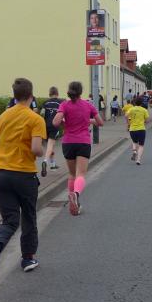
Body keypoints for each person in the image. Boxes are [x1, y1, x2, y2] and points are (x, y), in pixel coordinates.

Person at [0, 78, 46, 277]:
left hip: (2, 174)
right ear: (31, 96)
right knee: (28, 216)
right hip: (25, 175)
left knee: (10, 220)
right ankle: (28, 258)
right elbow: (36, 148)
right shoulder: (35, 119)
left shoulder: (4, 115)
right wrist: (41, 153)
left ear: (15, 95)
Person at [53, 81, 103, 216]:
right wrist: (88, 120)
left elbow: (55, 122)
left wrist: (65, 122)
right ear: (81, 92)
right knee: (80, 174)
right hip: (83, 142)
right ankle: (75, 194)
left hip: (68, 142)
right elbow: (100, 122)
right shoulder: (88, 105)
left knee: (72, 174)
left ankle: (73, 201)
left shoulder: (64, 105)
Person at [40, 87, 63, 177]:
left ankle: (53, 165)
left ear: (50, 93)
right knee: (50, 145)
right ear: (57, 93)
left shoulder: (45, 103)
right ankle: (45, 161)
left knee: (51, 146)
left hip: (45, 126)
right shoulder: (60, 102)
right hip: (54, 126)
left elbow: (42, 114)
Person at [125, 97, 151, 165]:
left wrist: (128, 123)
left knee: (134, 142)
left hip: (132, 129)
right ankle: (138, 160)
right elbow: (147, 120)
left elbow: (126, 115)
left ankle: (134, 151)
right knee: (141, 145)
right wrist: (144, 121)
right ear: (141, 103)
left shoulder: (131, 109)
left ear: (134, 102)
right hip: (141, 129)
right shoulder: (144, 110)